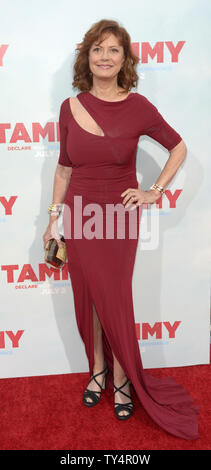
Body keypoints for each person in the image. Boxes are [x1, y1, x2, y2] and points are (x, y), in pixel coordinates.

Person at [43, 19, 199, 440]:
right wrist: (53, 217)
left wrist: (154, 191)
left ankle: (124, 377)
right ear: (87, 58)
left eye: (113, 50)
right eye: (97, 49)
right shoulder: (69, 107)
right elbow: (63, 167)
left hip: (117, 215)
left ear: (125, 59)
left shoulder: (140, 106)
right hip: (78, 213)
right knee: (87, 296)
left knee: (113, 297)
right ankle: (98, 369)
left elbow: (178, 146)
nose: (105, 57)